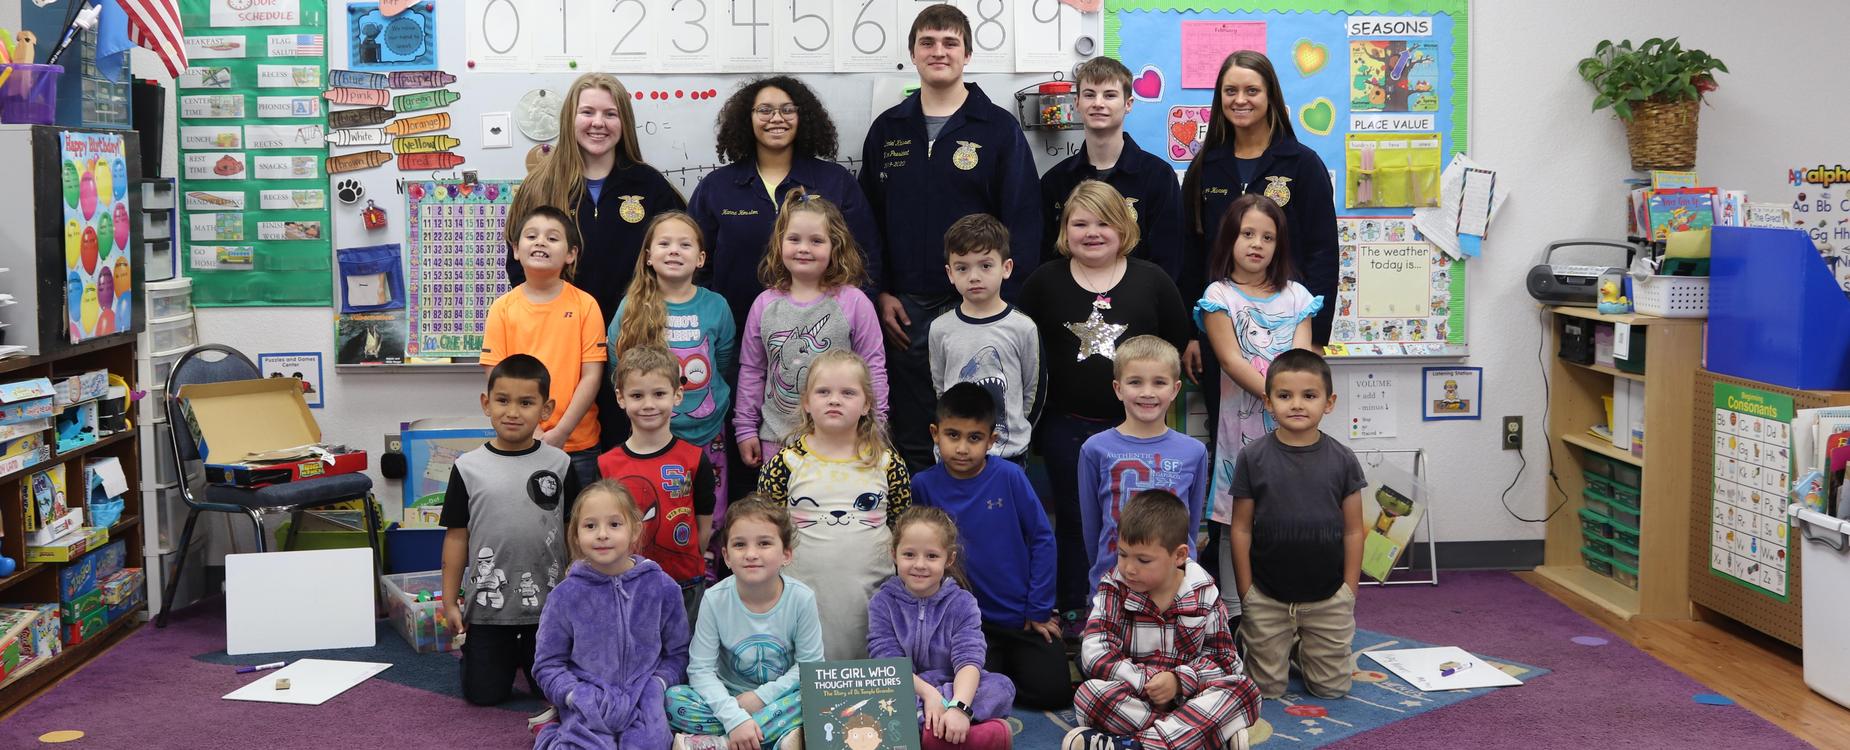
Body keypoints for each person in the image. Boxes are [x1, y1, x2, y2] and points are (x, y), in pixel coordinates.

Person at [860, 2, 1041, 473]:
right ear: (912, 54)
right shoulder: (888, 129)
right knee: (916, 426)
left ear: (967, 54)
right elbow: (867, 223)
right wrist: (879, 292)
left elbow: (1023, 219)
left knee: (984, 424)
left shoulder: (998, 128)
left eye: (949, 42)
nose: (938, 51)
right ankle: (922, 513)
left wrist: (1004, 303)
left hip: (981, 305)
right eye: (928, 42)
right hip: (907, 309)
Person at [1017, 181, 1191, 624]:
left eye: (1103, 223)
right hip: (1066, 426)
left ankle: (1146, 607)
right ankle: (1078, 610)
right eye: (1080, 224)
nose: (1092, 232)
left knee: (1139, 521)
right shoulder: (1044, 281)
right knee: (1075, 521)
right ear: (1064, 230)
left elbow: (1175, 343)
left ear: (1123, 227)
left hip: (1139, 430)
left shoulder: (1153, 280)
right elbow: (1022, 346)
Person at [507, 72, 687, 449]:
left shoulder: (649, 186)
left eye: (610, 113)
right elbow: (518, 266)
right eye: (587, 112)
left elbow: (680, 264)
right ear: (569, 118)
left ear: (625, 122)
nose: (598, 123)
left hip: (636, 341)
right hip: (561, 344)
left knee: (631, 453)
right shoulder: (540, 186)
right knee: (566, 452)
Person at [1196, 194, 1322, 622]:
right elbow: (1231, 361)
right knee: (1237, 518)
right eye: (1247, 233)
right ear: (1230, 238)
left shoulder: (1297, 295)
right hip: (1241, 431)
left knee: (1290, 514)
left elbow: (1301, 360)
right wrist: (1277, 396)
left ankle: (1290, 609)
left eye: (1268, 237)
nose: (1257, 244)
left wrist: (1290, 401)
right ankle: (1237, 613)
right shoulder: (1219, 295)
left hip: (1294, 428)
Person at [440, 354, 579, 727]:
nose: (513, 412)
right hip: (489, 606)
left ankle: (526, 657)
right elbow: (456, 537)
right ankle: (489, 658)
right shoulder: (467, 468)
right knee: (483, 695)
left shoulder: (561, 465)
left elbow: (574, 533)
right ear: (486, 404)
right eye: (503, 400)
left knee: (547, 689)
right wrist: (450, 601)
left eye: (526, 402)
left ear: (545, 409)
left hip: (549, 608)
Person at [910, 383, 1069, 711]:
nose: (962, 448)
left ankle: (1007, 673)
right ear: (935, 434)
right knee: (968, 689)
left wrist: (1038, 608)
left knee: (1053, 693)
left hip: (1020, 616)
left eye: (974, 438)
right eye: (952, 435)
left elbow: (1042, 538)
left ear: (991, 440)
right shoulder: (923, 485)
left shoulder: (1010, 477)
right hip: (964, 623)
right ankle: (998, 674)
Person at [1065, 490, 1260, 750]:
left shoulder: (1203, 592)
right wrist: (1148, 681)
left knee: (1245, 690)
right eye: (1122, 554)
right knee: (1090, 696)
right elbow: (1096, 653)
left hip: (1192, 698)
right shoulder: (1114, 587)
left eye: (1143, 560)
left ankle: (1136, 745)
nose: (1129, 568)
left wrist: (1179, 681)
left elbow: (1225, 661)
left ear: (1179, 556)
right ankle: (1206, 736)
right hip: (1137, 696)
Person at [688, 75, 881, 328]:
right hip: (734, 330)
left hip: (823, 334)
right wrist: (711, 320)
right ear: (747, 118)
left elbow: (867, 257)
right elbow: (695, 262)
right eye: (764, 110)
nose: (777, 118)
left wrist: (855, 318)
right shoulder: (716, 187)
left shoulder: (836, 182)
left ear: (804, 117)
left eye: (788, 110)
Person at [756, 349, 912, 660]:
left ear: (866, 404)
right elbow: (765, 533)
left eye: (848, 393)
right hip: (801, 600)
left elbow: (901, 527)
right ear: (806, 402)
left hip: (871, 603)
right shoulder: (784, 463)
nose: (834, 400)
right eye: (823, 392)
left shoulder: (887, 463)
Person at [1228, 349, 1365, 700]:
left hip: (1328, 598)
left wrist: (1349, 590)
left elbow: (1353, 530)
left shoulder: (1344, 460)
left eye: (1309, 395)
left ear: (1329, 402)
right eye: (1285, 396)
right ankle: (1263, 641)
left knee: (1331, 690)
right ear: (1268, 402)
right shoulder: (1252, 457)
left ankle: (1301, 649)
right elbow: (1240, 528)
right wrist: (1246, 591)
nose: (1297, 404)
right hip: (1267, 596)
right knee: (1265, 691)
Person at [1181, 51, 1337, 346]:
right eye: (1231, 91)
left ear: (1270, 96)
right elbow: (1190, 253)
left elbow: (1323, 254)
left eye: (1251, 90)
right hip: (1219, 328)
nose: (1240, 100)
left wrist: (1315, 338)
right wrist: (1190, 335)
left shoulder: (1302, 164)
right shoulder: (1205, 167)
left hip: (1289, 328)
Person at [734, 189, 888, 471]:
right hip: (777, 439)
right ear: (779, 243)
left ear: (835, 246)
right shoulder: (764, 305)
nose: (804, 248)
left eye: (816, 241)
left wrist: (876, 426)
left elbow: (873, 368)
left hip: (843, 441)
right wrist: (745, 428)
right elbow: (752, 370)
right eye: (794, 239)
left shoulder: (854, 303)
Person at [532, 480, 690, 748]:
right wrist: (575, 695)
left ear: (635, 530)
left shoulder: (662, 587)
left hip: (643, 700)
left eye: (614, 524)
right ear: (576, 534)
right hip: (589, 703)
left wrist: (657, 685)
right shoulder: (565, 596)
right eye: (590, 526)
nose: (602, 534)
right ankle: (551, 730)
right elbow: (547, 665)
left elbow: (678, 654)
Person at [667, 495, 823, 750]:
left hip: (780, 698)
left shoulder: (801, 599)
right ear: (726, 556)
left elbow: (809, 668)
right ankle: (772, 738)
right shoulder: (714, 599)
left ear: (786, 554)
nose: (751, 554)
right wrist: (734, 717)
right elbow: (700, 670)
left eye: (764, 543)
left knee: (815, 697)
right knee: (673, 700)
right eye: (740, 545)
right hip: (729, 698)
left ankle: (721, 743)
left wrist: (761, 697)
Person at [610, 212, 738, 521]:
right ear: (648, 256)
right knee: (657, 509)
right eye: (664, 243)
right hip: (652, 431)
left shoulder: (717, 305)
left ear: (700, 258)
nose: (674, 251)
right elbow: (618, 363)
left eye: (685, 244)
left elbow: (723, 361)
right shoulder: (632, 306)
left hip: (708, 431)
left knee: (710, 511)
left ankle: (707, 554)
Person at [867, 506, 1017, 750]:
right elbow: (888, 664)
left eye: (932, 556)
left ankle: (935, 729)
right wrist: (929, 695)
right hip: (908, 687)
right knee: (875, 695)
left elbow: (969, 661)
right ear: (894, 554)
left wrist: (959, 706)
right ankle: (971, 735)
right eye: (909, 554)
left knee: (1000, 686)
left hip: (955, 687)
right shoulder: (882, 602)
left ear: (949, 559)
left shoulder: (963, 603)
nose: (920, 564)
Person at [481, 205, 607, 489]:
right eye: (531, 236)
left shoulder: (586, 305)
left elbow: (592, 376)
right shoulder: (502, 309)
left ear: (571, 254)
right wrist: (533, 430)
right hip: (518, 439)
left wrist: (561, 432)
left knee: (580, 517)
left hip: (578, 445)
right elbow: (495, 376)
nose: (540, 242)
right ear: (516, 249)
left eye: (552, 238)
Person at [1078, 336, 1208, 602]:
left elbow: (1190, 526)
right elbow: (1092, 527)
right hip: (1114, 587)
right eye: (1135, 382)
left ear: (1175, 389)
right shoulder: (1094, 449)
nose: (1147, 392)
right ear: (1118, 388)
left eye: (1159, 382)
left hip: (1175, 590)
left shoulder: (1194, 451)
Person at [597, 345, 719, 626]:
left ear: (677, 395)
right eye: (637, 395)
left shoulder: (694, 459)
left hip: (685, 583)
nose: (649, 404)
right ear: (620, 398)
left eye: (659, 394)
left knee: (684, 651)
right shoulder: (606, 465)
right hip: (626, 583)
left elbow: (703, 526)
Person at [1039, 56, 1183, 282]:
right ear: (1077, 103)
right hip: (1072, 296)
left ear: (1128, 104)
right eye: (1089, 95)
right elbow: (1048, 256)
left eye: (1109, 95)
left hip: (1139, 297)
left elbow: (1169, 258)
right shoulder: (1055, 180)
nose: (1098, 103)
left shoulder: (1158, 176)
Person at [928, 214, 1042, 462]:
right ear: (950, 273)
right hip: (954, 455)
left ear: (1006, 268)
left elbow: (1032, 391)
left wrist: (1015, 433)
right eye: (962, 268)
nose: (974, 276)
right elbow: (940, 388)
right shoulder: (940, 328)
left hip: (1009, 454)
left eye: (986, 266)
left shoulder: (1023, 327)